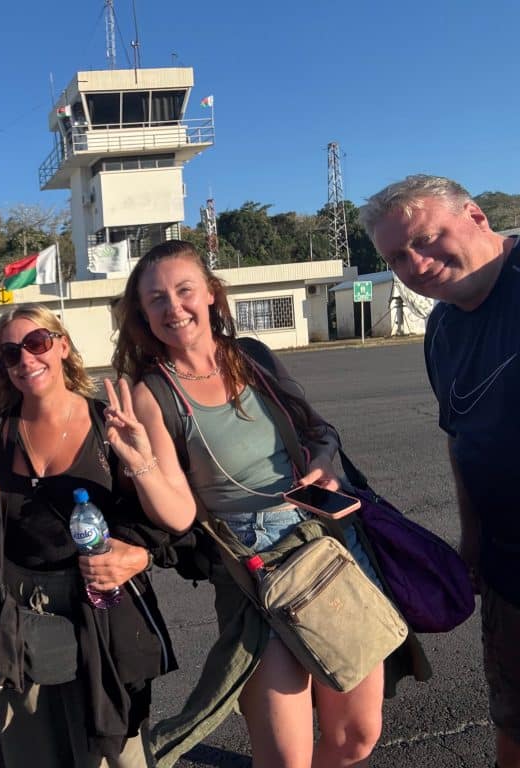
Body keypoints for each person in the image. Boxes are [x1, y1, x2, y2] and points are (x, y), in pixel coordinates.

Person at [113, 240, 405, 767]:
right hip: (253, 567)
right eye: (156, 299)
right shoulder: (151, 393)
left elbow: (317, 429)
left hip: (325, 544)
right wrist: (140, 462)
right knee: (285, 758)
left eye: (184, 290)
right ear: (143, 314)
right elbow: (180, 514)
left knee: (356, 735)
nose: (173, 307)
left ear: (210, 293)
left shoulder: (252, 356)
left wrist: (323, 461)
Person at [0, 304, 178, 768]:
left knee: (113, 746)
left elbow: (161, 519)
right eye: (10, 353)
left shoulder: (106, 422)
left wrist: (138, 554)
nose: (26, 359)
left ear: (62, 346)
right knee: (30, 743)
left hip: (96, 600)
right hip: (17, 602)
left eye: (36, 343)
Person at [361, 175, 520, 768]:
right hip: (508, 567)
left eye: (425, 240)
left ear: (476, 216)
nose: (416, 265)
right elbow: (461, 438)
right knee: (513, 719)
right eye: (397, 257)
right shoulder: (443, 329)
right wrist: (471, 540)